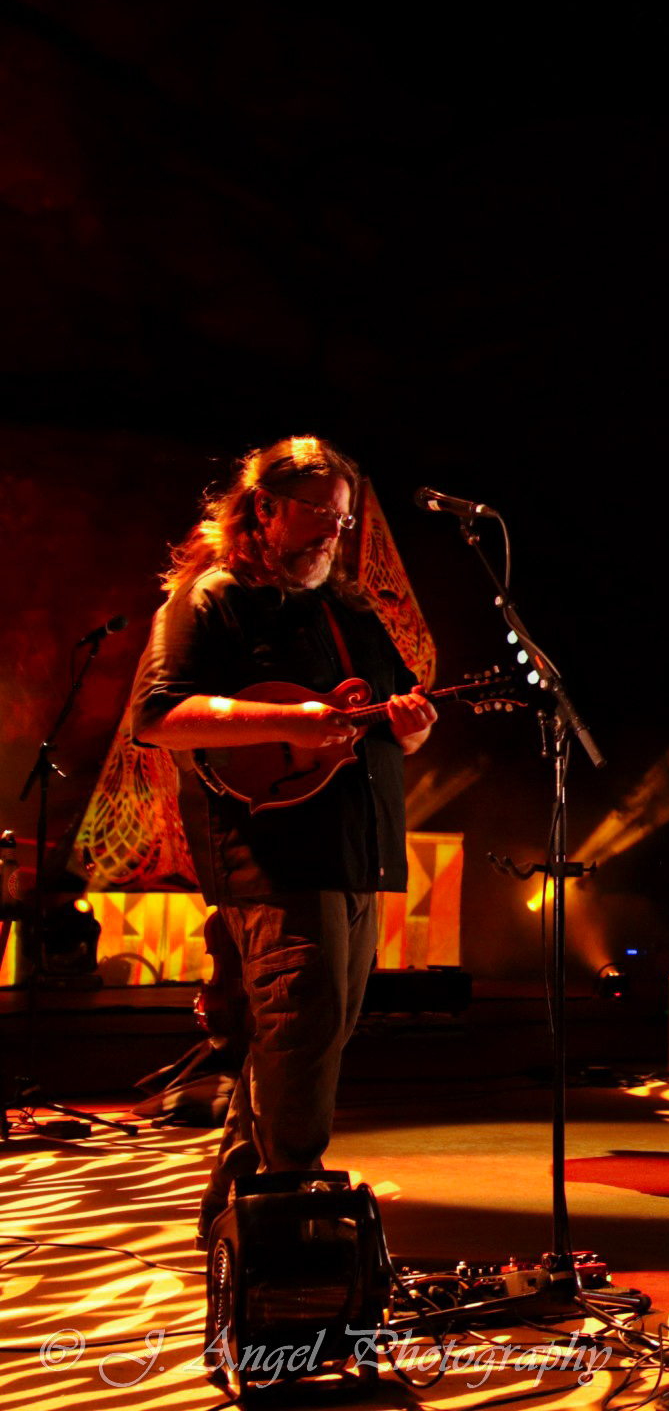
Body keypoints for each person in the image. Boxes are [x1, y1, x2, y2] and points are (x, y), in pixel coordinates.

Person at [132, 436, 438, 1246]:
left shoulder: (349, 613)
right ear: (263, 508)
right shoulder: (213, 599)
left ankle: (240, 1227)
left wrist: (413, 726)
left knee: (306, 1042)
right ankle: (290, 1230)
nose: (334, 532)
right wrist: (289, 721)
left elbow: (397, 722)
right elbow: (159, 716)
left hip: (358, 853)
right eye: (317, 513)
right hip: (273, 856)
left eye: (343, 519)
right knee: (299, 1038)